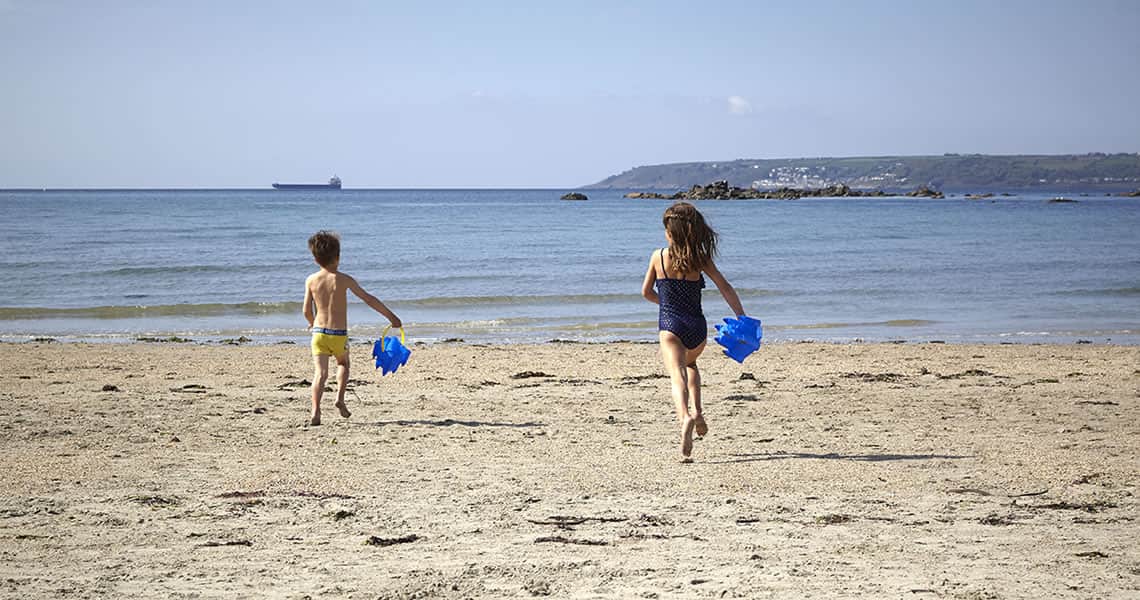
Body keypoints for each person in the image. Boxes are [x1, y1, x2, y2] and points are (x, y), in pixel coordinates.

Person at [641, 202, 745, 462]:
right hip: (697, 327)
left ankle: (685, 417)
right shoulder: (700, 259)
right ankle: (698, 411)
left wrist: (665, 304)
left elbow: (646, 293)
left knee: (677, 376)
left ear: (669, 232)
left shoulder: (658, 256)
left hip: (670, 325)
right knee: (692, 365)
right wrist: (741, 316)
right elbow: (724, 286)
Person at [303, 230, 401, 426]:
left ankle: (315, 410)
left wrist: (313, 323)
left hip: (319, 334)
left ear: (315, 259)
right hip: (338, 335)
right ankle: (339, 398)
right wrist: (391, 316)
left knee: (320, 374)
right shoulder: (344, 279)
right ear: (338, 257)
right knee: (343, 364)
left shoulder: (311, 280)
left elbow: (306, 310)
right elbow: (368, 299)